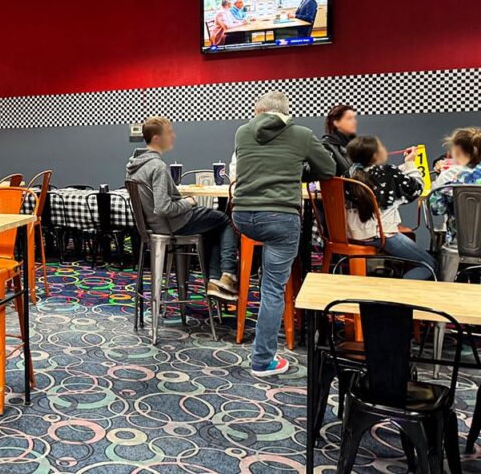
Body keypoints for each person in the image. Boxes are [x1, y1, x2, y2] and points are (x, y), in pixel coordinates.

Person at [232, 91, 335, 377]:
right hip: (279, 217)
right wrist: (299, 169)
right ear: (285, 113)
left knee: (265, 280)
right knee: (272, 288)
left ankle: (231, 283)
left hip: (242, 215)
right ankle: (262, 360)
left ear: (259, 110)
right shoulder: (301, 134)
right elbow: (328, 169)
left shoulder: (242, 132)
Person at [125, 117, 238, 298]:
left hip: (154, 227)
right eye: (169, 133)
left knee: (212, 227)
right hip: (172, 224)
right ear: (156, 138)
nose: (173, 136)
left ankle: (215, 281)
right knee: (224, 220)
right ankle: (226, 275)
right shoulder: (158, 167)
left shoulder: (134, 167)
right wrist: (189, 202)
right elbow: (163, 207)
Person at [345, 136, 433, 279]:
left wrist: (403, 167)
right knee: (429, 264)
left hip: (353, 234)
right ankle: (395, 294)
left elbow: (385, 179)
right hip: (382, 236)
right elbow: (416, 189)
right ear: (376, 154)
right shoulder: (388, 172)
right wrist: (410, 163)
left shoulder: (349, 173)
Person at [429, 128, 481, 248]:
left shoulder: (449, 176)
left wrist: (436, 183)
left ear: (457, 151)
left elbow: (437, 210)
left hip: (460, 245)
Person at [321, 104, 358, 176]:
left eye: (354, 118)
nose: (354, 121)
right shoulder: (327, 147)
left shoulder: (358, 145)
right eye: (349, 118)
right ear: (336, 122)